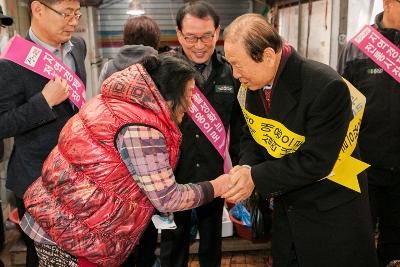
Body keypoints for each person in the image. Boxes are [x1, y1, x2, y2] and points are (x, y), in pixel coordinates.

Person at [21, 55, 231, 267]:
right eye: (188, 94)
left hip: (61, 221)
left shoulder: (115, 103)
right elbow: (168, 198)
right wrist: (216, 187)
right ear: (170, 96)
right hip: (75, 237)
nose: (190, 103)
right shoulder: (142, 129)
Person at [222, 13, 378, 267]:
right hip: (289, 208)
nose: (235, 73)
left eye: (238, 64)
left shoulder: (325, 85)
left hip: (330, 212)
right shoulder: (252, 86)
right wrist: (247, 166)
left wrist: (256, 177)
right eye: (230, 64)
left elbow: (316, 160)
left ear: (269, 56)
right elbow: (250, 135)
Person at [0, 0, 86, 266]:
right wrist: (44, 102)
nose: (73, 21)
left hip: (76, 175)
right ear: (38, 9)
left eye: (77, 13)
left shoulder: (78, 47)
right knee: (43, 257)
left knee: (75, 253)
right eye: (67, 14)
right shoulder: (12, 61)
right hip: (37, 179)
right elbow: (3, 123)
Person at [159, 2, 242, 267]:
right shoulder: (163, 72)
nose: (199, 44)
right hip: (174, 179)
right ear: (179, 34)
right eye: (192, 37)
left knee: (211, 247)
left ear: (218, 32)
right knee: (174, 247)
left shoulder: (231, 72)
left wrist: (240, 171)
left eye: (207, 36)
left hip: (215, 176)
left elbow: (239, 129)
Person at [337, 1, 400, 266]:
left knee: (395, 244)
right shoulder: (358, 47)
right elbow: (339, 104)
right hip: (363, 167)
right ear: (389, 3)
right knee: (358, 240)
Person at [98, 15, 161, 267]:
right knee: (146, 217)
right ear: (155, 40)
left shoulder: (109, 66)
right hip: (150, 155)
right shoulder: (161, 66)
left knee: (120, 220)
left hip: (117, 157)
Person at [98, 15, 160, 86]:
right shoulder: (164, 67)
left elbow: (98, 96)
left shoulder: (108, 67)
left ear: (125, 39)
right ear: (155, 40)